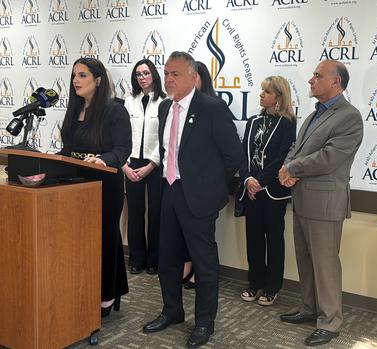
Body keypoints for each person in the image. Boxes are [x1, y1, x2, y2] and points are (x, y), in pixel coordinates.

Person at [142, 51, 243, 348]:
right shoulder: (164, 108)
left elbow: (234, 156)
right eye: (167, 73)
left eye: (175, 74)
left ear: (192, 76)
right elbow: (168, 152)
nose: (169, 79)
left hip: (199, 198)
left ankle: (204, 323)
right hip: (169, 191)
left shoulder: (211, 108)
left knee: (204, 263)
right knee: (168, 258)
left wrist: (210, 190)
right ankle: (172, 311)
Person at [278, 60, 363, 346]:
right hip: (302, 198)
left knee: (325, 263)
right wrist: (287, 167)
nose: (312, 80)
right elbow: (296, 148)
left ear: (336, 82)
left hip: (325, 203)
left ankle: (330, 322)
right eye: (313, 75)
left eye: (318, 76)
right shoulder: (314, 114)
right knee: (305, 259)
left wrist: (293, 169)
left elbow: (330, 156)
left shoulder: (349, 117)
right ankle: (309, 308)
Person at [59, 57, 132, 318]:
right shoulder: (74, 108)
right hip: (76, 185)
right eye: (74, 76)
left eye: (82, 75)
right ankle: (83, 287)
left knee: (105, 238)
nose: (76, 81)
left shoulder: (114, 110)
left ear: (98, 80)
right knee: (78, 240)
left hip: (105, 183)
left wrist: (103, 159)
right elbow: (67, 149)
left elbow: (123, 149)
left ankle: (106, 294)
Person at [237, 76, 296, 306]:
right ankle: (255, 283)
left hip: (273, 191)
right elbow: (242, 155)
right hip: (251, 190)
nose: (261, 95)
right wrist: (248, 179)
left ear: (279, 97)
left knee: (274, 239)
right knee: (253, 239)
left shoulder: (288, 123)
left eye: (267, 92)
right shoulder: (252, 122)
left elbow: (282, 157)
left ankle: (272, 287)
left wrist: (260, 182)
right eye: (262, 91)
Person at [123, 59, 166, 275]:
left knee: (156, 212)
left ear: (154, 75)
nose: (142, 77)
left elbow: (164, 138)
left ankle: (154, 260)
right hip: (131, 163)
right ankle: (137, 259)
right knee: (135, 213)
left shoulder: (164, 102)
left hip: (155, 165)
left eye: (146, 73)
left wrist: (152, 164)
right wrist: (125, 165)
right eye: (138, 74)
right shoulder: (128, 101)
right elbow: (121, 135)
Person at [181, 60, 218, 290]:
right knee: (182, 233)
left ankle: (199, 271)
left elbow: (229, 154)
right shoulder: (176, 107)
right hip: (181, 186)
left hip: (205, 188)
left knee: (203, 236)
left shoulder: (214, 107)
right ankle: (188, 264)